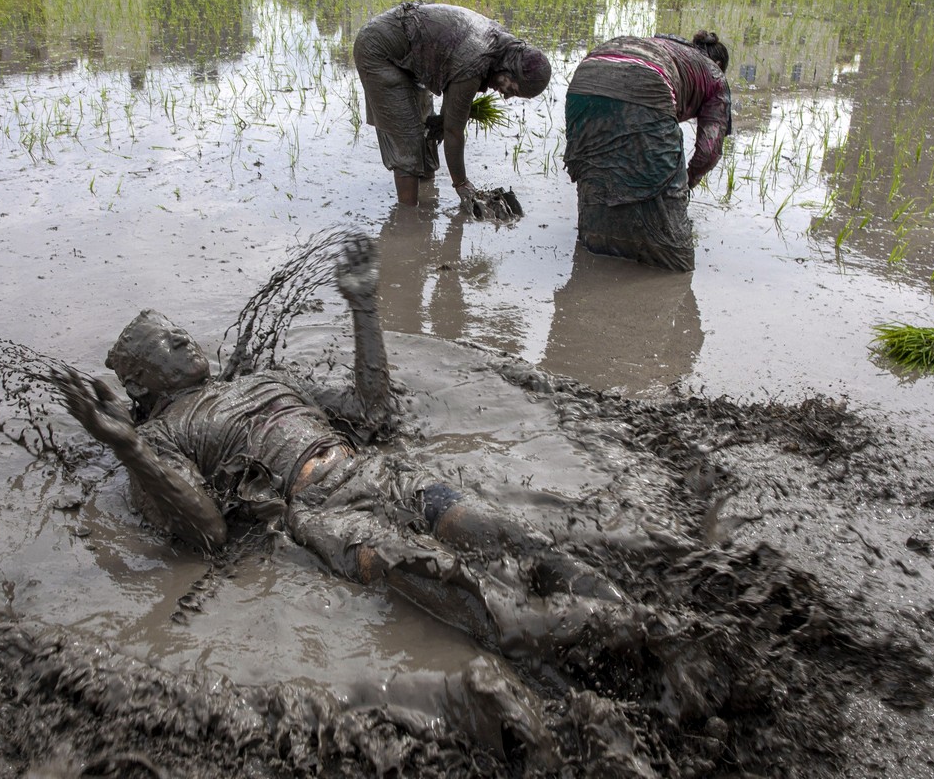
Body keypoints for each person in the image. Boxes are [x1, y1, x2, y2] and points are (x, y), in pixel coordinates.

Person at [49, 232, 684, 723]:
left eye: (182, 331)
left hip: (379, 475)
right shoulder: (158, 441)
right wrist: (127, 447)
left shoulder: (263, 378)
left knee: (511, 537)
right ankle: (590, 649)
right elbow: (207, 532)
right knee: (449, 583)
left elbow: (372, 410)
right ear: (137, 382)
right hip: (323, 517)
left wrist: (364, 308)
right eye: (169, 342)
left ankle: (648, 628)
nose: (187, 339)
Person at [353, 1, 552, 207]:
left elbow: (448, 119)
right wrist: (461, 183)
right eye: (512, 89)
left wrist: (444, 120)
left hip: (409, 54)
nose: (507, 96)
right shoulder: (475, 61)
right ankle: (408, 221)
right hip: (377, 50)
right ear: (510, 70)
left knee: (427, 132)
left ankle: (427, 205)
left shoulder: (502, 48)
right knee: (408, 141)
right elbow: (453, 131)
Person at [563, 31, 732, 272]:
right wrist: (688, 181)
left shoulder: (667, 46)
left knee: (597, 175)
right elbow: (709, 150)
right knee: (676, 259)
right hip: (646, 79)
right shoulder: (714, 75)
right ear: (718, 64)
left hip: (586, 77)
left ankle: (598, 249)